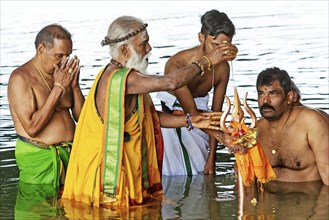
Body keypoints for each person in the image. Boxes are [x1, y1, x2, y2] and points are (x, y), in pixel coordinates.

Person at [62, 15, 238, 207]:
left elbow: (150, 116)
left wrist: (189, 121)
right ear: (124, 50)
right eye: (143, 44)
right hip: (108, 175)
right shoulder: (122, 79)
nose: (149, 49)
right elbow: (170, 81)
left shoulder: (125, 76)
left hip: (125, 169)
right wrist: (206, 61)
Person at [156, 9, 237, 175]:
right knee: (173, 175)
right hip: (177, 120)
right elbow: (192, 114)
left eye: (225, 46)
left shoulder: (222, 68)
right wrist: (222, 138)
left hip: (205, 123)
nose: (220, 52)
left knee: (201, 172)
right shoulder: (176, 64)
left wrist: (211, 158)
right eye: (215, 45)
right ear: (201, 37)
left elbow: (217, 114)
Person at [7, 24, 85, 190]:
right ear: (41, 49)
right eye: (59, 55)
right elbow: (32, 128)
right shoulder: (20, 78)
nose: (64, 61)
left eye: (68, 55)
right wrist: (58, 88)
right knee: (41, 211)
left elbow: (82, 118)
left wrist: (75, 86)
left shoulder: (62, 74)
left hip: (71, 156)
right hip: (41, 159)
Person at [255, 67, 329, 185]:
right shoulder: (256, 128)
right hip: (269, 200)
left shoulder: (311, 121)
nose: (265, 101)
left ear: (289, 97)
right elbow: (245, 177)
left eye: (273, 94)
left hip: (308, 200)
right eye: (261, 94)